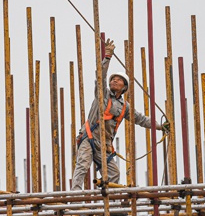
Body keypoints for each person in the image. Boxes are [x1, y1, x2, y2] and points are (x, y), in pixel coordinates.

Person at [71, 39, 169, 190]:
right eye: (113, 79)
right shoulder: (103, 95)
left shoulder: (125, 107)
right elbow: (100, 77)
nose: (115, 81)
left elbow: (142, 120)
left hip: (104, 144)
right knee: (83, 165)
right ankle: (75, 195)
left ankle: (104, 200)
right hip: (89, 138)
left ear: (124, 87)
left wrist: (160, 126)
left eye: (119, 80)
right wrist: (107, 57)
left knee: (113, 173)